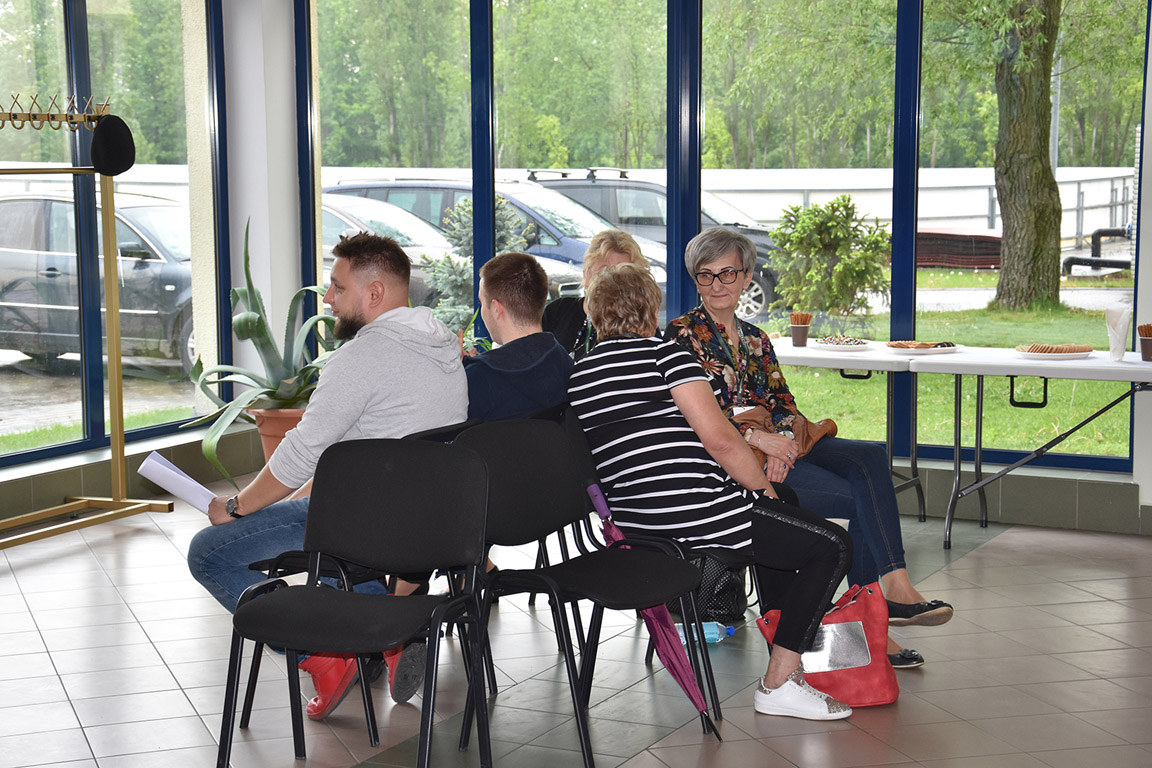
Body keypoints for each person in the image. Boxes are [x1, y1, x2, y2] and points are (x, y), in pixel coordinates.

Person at [187, 232, 468, 717]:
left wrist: (236, 506)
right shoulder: (444, 352)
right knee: (318, 522)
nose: (328, 299)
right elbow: (349, 453)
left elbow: (301, 452)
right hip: (428, 531)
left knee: (207, 554)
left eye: (338, 287)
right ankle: (388, 630)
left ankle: (325, 657)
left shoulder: (362, 358)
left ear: (374, 293)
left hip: (362, 533)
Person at [570, 263, 854, 721]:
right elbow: (721, 440)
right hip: (695, 515)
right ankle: (778, 684)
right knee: (832, 546)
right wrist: (763, 491)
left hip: (636, 522)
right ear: (652, 309)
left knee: (789, 511)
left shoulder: (582, 372)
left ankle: (785, 652)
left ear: (594, 312)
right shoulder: (667, 356)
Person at [665, 227, 953, 669]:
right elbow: (695, 418)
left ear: (747, 277)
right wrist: (759, 443)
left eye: (728, 273)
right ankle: (876, 619)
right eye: (706, 275)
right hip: (729, 459)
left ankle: (894, 586)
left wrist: (781, 443)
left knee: (870, 457)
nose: (718, 284)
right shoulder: (682, 335)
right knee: (861, 500)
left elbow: (783, 402)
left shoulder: (757, 338)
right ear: (695, 279)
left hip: (775, 443)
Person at [463, 251, 573, 420]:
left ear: (496, 309)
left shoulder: (479, 378)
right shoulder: (565, 364)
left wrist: (459, 377)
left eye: (481, 303)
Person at [542, 229, 650, 360]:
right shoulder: (557, 312)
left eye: (624, 272)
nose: (613, 281)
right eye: (605, 271)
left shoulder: (641, 321)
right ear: (586, 274)